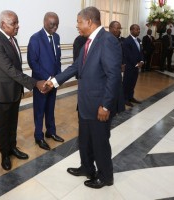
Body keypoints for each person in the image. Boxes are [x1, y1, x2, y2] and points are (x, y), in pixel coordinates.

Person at [45, 6, 122, 189]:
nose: (77, 26)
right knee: (85, 139)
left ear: (89, 21)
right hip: (86, 103)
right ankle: (87, 168)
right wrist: (54, 82)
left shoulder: (107, 41)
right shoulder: (87, 42)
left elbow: (114, 76)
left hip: (99, 105)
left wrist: (105, 105)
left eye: (79, 22)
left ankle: (105, 176)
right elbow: (75, 67)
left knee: (99, 142)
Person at [0, 10, 46, 170]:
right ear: (3, 24)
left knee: (13, 122)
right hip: (3, 92)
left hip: (14, 89)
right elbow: (10, 69)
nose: (17, 26)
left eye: (17, 22)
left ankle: (12, 147)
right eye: (14, 23)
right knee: (4, 124)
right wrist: (35, 83)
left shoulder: (12, 39)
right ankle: (4, 153)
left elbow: (9, 65)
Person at [27, 12, 64, 151]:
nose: (55, 28)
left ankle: (51, 132)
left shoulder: (57, 37)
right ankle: (39, 136)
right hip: (42, 82)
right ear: (44, 22)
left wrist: (57, 79)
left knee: (50, 108)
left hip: (53, 82)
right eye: (52, 24)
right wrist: (47, 79)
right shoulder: (35, 38)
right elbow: (33, 62)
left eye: (57, 25)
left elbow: (57, 60)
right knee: (39, 111)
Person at [122, 24, 144, 107]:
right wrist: (136, 63)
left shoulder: (139, 40)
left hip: (136, 66)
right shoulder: (127, 41)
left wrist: (141, 61)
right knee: (127, 83)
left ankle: (131, 97)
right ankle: (125, 99)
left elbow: (141, 52)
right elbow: (128, 55)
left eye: (139, 29)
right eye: (136, 29)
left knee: (133, 82)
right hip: (129, 66)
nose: (138, 31)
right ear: (131, 30)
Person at [108, 21, 125, 113]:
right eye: (117, 28)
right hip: (110, 72)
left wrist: (122, 64)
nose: (119, 30)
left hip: (117, 71)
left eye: (120, 28)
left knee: (118, 91)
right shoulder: (106, 39)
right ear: (110, 28)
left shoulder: (119, 40)